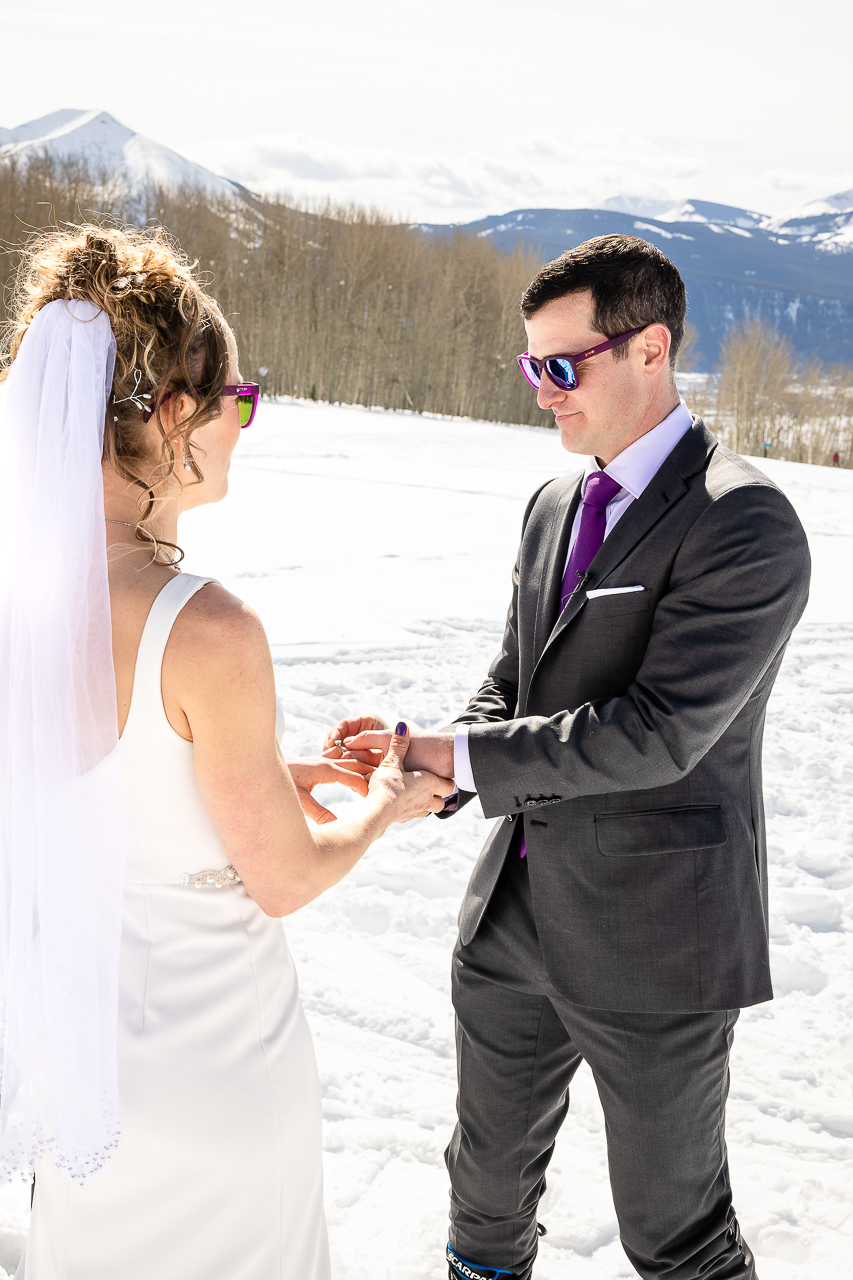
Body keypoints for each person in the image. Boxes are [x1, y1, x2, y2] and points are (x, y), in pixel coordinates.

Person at [326, 236, 811, 1280]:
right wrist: (427, 763)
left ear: (650, 348)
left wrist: (460, 756)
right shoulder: (554, 504)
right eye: (529, 367)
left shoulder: (746, 521)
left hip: (656, 942)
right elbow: (516, 677)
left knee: (673, 1233)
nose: (542, 392)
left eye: (561, 365)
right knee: (483, 1196)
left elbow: (658, 730)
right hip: (513, 919)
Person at [0, 225, 452, 1280]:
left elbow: (91, 780)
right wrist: (383, 796)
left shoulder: (21, 607)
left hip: (84, 1084)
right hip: (216, 1076)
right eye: (238, 400)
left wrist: (277, 768)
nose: (245, 423)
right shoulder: (205, 627)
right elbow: (286, 877)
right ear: (172, 416)